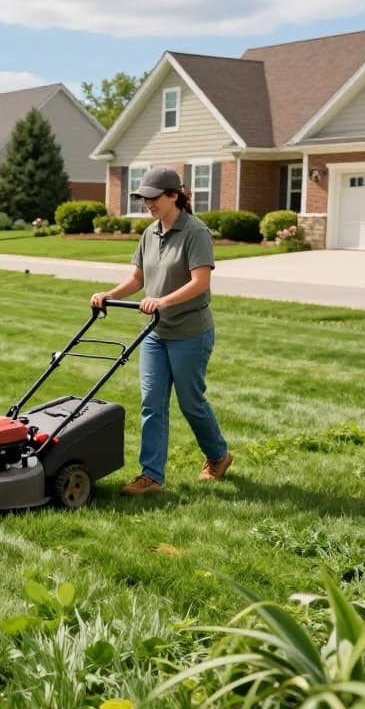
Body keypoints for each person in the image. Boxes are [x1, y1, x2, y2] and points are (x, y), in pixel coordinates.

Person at [90, 165, 231, 495]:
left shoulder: (195, 231)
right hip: (156, 333)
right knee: (151, 403)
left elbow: (201, 282)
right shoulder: (149, 233)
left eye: (153, 198)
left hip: (190, 332)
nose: (148, 204)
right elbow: (138, 280)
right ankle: (151, 476)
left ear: (173, 195)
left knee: (190, 402)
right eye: (143, 198)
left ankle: (218, 456)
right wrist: (108, 295)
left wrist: (163, 300)